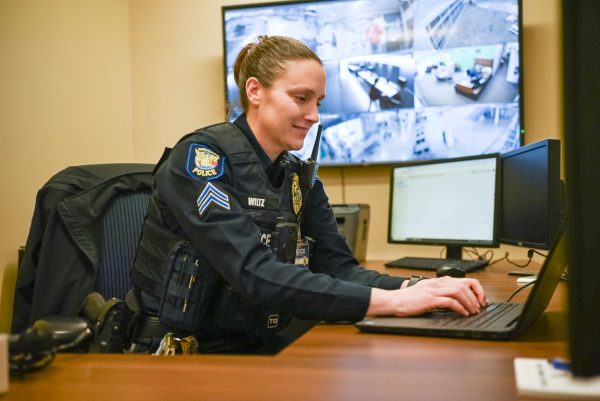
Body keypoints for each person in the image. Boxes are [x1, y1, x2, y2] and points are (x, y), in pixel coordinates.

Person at [131, 35, 486, 354]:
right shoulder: (200, 160)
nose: (314, 115)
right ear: (255, 91)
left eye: (318, 101)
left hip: (254, 342)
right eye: (301, 98)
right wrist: (392, 303)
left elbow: (339, 269)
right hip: (187, 352)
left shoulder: (298, 177)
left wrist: (415, 288)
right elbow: (254, 272)